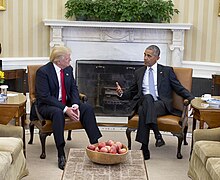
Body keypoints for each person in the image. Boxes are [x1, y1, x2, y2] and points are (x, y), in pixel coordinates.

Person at [116, 45, 194, 160]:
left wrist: (192, 98)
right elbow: (131, 92)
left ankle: (145, 146)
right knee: (147, 98)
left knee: (144, 110)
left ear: (157, 57)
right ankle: (157, 135)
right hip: (142, 101)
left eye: (149, 56)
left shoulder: (167, 71)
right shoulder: (139, 72)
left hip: (160, 104)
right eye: (144, 55)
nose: (145, 58)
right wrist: (121, 93)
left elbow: (178, 88)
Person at [32, 46, 102, 170]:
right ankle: (61, 153)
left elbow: (74, 89)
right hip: (47, 106)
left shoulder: (68, 69)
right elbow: (44, 97)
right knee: (58, 113)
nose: (70, 60)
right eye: (68, 59)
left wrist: (75, 104)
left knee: (87, 108)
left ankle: (96, 145)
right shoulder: (43, 72)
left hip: (66, 102)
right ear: (58, 61)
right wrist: (65, 109)